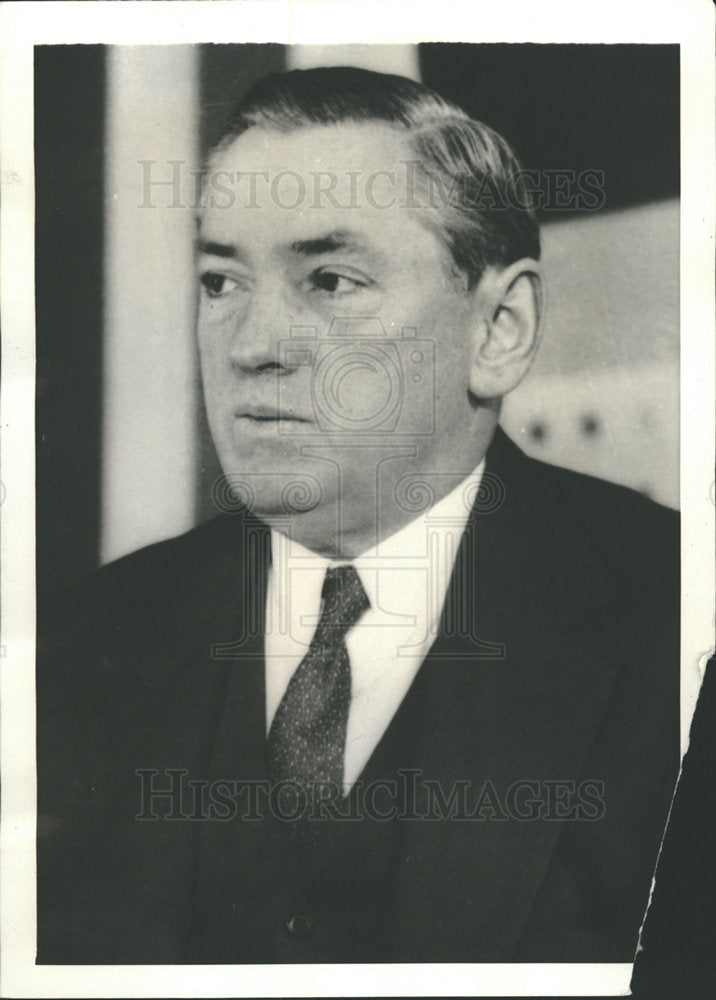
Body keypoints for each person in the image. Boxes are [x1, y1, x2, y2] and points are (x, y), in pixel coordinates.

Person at [37, 66, 679, 964]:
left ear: (499, 330)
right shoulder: (72, 646)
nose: (253, 345)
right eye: (221, 282)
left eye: (331, 281)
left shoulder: (681, 629)